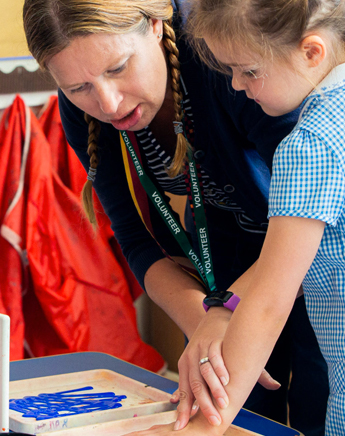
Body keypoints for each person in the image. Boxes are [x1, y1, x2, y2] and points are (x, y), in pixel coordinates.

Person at [22, 0, 328, 434]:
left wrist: (230, 313)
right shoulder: (84, 108)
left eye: (117, 68)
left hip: (319, 244)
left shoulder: (227, 60)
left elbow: (313, 218)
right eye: (78, 87)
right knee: (225, 397)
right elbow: (134, 238)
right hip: (225, 247)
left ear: (154, 22)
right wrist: (208, 318)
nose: (108, 104)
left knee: (321, 399)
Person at [123, 0, 344, 434]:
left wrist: (202, 428)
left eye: (248, 70)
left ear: (311, 52)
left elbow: (267, 303)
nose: (238, 87)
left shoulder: (310, 144)